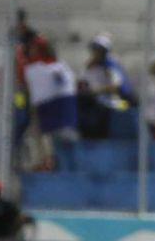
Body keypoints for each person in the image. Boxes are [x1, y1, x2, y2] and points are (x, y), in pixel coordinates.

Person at [24, 39, 79, 171]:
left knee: (38, 134)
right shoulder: (63, 66)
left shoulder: (35, 70)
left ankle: (44, 162)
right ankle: (48, 161)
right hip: (65, 111)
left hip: (48, 109)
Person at [78, 34, 134, 139]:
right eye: (94, 49)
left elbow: (116, 87)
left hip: (124, 103)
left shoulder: (111, 65)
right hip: (111, 100)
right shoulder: (97, 65)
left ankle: (100, 137)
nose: (94, 53)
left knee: (101, 108)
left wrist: (95, 91)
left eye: (97, 50)